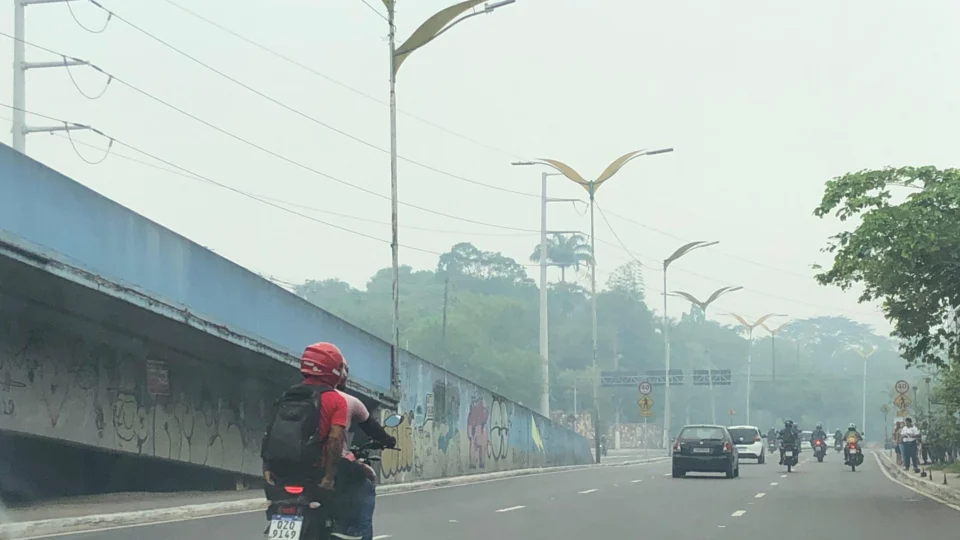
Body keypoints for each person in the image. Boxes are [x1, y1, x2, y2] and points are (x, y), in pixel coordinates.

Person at [260, 342, 360, 539]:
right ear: (334, 369)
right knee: (359, 485)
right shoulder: (335, 400)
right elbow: (335, 439)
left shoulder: (288, 395)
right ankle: (350, 532)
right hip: (314, 474)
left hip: (281, 473)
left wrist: (267, 467)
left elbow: (270, 432)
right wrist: (329, 478)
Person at [335, 359, 396, 540]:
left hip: (290, 470)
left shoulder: (292, 396)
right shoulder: (345, 400)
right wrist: (388, 440)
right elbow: (373, 429)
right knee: (366, 487)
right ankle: (360, 535)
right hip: (331, 465)